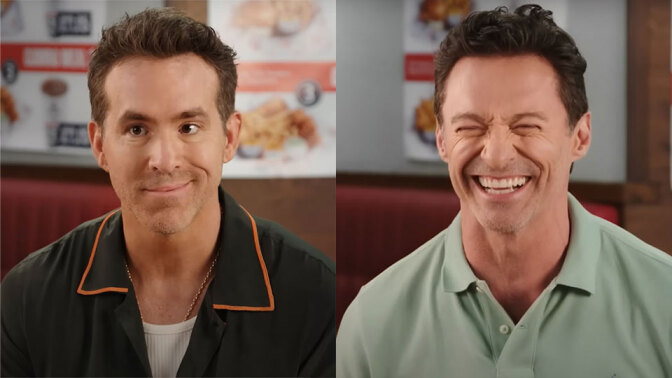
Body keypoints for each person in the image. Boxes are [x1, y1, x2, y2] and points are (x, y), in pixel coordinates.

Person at [337, 4, 672, 377]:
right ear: (442, 140)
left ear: (580, 136)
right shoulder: (374, 320)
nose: (496, 156)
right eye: (469, 127)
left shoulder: (665, 302)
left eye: (527, 126)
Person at [1, 8, 335, 377]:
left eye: (189, 127)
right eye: (136, 130)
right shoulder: (28, 295)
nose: (163, 160)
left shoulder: (315, 293)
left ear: (229, 137)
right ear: (99, 145)